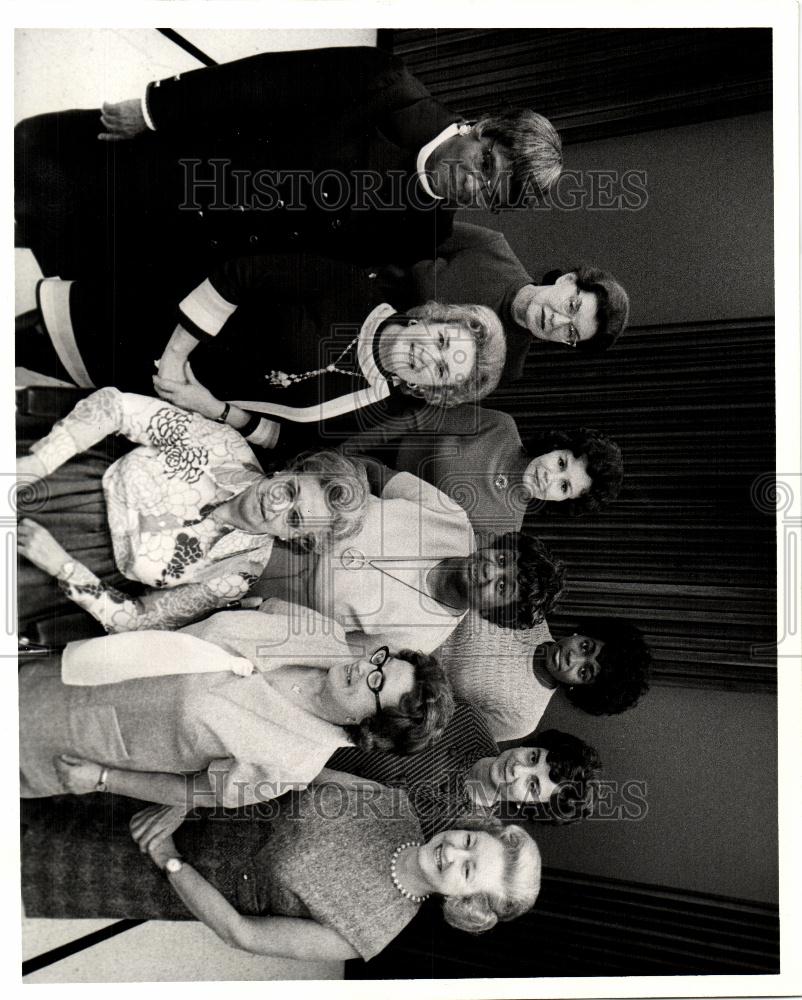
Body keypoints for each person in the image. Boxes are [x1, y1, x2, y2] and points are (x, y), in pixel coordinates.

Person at [16, 46, 562, 285]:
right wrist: (157, 108)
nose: (471, 182)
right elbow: (257, 83)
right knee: (31, 176)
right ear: (481, 127)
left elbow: (302, 261)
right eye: (485, 161)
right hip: (161, 161)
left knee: (40, 240)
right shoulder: (383, 83)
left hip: (177, 245)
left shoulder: (423, 232)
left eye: (488, 192)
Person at [17, 254, 507, 456]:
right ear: (431, 318)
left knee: (31, 408)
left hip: (162, 402)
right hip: (145, 328)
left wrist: (216, 409)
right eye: (444, 341)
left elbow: (288, 440)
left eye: (443, 370)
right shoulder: (354, 290)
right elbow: (241, 274)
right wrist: (173, 360)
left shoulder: (380, 405)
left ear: (431, 389)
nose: (429, 356)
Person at [21, 784, 542, 962]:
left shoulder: (370, 933)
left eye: (469, 871)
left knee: (31, 861)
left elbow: (242, 933)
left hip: (158, 872)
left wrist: (167, 859)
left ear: (464, 904)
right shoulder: (393, 805)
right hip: (181, 802)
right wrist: (182, 797)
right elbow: (281, 775)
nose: (452, 852)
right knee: (41, 787)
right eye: (470, 841)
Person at [16, 387, 368, 637]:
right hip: (71, 485)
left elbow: (138, 622)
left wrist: (64, 568)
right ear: (287, 471)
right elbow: (117, 405)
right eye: (289, 490)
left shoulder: (237, 575)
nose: (275, 504)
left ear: (294, 538)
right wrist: (40, 461)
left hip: (67, 567)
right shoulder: (225, 444)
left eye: (293, 519)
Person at [19, 612, 454, 806]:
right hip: (74, 664)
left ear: (373, 726)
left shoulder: (292, 765)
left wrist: (101, 779)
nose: (364, 666)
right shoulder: (322, 635)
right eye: (380, 660)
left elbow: (191, 794)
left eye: (375, 682)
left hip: (71, 739)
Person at [255, 478, 566, 655]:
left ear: (491, 614)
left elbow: (329, 648)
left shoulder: (419, 642)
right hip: (290, 507)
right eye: (502, 560)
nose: (489, 570)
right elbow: (374, 473)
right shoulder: (452, 518)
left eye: (502, 586)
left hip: (274, 592)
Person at [327, 703, 601, 837]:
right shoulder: (466, 719)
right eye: (533, 757)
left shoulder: (462, 831)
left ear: (529, 808)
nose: (518, 768)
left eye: (533, 785)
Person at [404, 222, 630, 382]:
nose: (557, 320)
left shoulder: (506, 366)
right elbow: (402, 237)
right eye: (571, 306)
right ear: (567, 279)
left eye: (571, 332)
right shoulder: (490, 247)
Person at [343, 406, 624, 533]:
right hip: (367, 438)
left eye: (564, 487)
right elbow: (415, 419)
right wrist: (346, 452)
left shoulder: (505, 528)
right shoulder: (501, 427)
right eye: (561, 462)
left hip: (367, 505)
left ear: (565, 502)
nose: (550, 476)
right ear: (557, 446)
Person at [437, 614, 652, 740]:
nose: (572, 657)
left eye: (584, 672)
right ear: (582, 633)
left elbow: (443, 730)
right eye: (585, 647)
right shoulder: (530, 616)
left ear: (580, 689)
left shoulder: (523, 718)